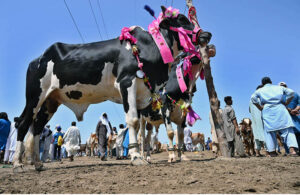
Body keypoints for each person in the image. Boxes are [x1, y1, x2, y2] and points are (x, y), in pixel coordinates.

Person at [251, 77, 298, 157]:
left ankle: (272, 152)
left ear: (262, 84)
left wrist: (260, 107)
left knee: (269, 131)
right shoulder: (279, 87)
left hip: (267, 110)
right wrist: (286, 103)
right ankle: (292, 151)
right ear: (271, 82)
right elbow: (291, 92)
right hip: (280, 108)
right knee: (287, 129)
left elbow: (253, 98)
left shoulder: (259, 90)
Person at [279, 82, 300, 151]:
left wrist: (291, 111)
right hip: (296, 116)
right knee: (297, 132)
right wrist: (295, 110)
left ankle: (289, 151)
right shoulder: (294, 93)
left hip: (285, 118)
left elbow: (281, 105)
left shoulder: (279, 96)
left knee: (286, 133)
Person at [249, 85, 267, 157]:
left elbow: (249, 110)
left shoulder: (251, 99)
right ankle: (267, 152)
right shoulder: (260, 99)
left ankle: (257, 152)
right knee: (265, 135)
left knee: (256, 136)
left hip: (255, 121)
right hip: (262, 119)